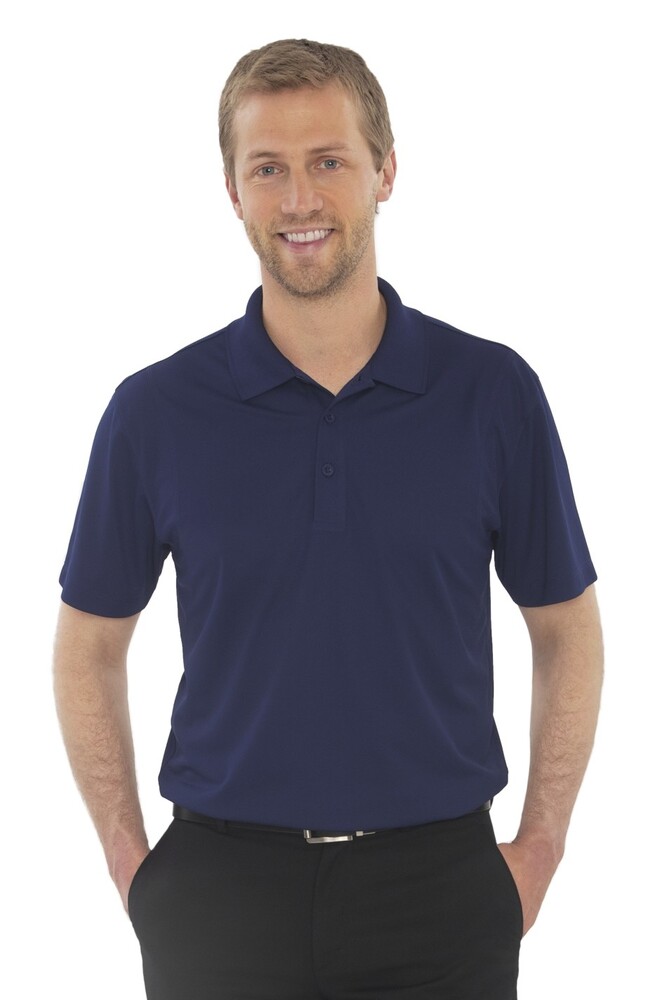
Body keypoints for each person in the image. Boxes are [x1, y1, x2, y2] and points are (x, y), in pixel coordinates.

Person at [54, 38, 603, 1000]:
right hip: (218, 894)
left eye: (328, 161)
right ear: (232, 191)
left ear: (384, 172)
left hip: (439, 892)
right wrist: (131, 863)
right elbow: (88, 648)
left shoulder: (491, 395)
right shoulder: (155, 412)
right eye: (267, 168)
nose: (299, 198)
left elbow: (566, 630)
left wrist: (541, 846)